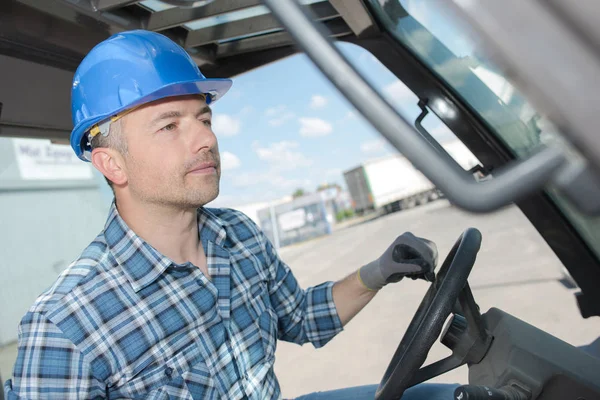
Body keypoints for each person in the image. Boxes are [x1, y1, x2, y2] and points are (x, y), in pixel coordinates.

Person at [3, 30, 456, 400]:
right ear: (112, 164)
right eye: (169, 125)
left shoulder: (239, 235)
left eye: (204, 119)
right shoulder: (65, 326)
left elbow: (300, 317)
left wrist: (378, 271)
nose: (204, 139)